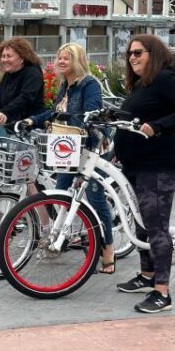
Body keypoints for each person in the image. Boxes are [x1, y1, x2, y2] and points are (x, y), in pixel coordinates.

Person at [114, 34, 175, 314]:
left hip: (157, 165)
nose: (132, 57)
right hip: (136, 165)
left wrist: (159, 125)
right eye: (129, 53)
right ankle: (147, 275)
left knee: (156, 226)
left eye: (138, 52)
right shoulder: (141, 84)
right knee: (141, 224)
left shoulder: (165, 79)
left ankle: (163, 292)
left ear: (155, 54)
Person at [25, 43, 115, 274]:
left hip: (92, 149)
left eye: (67, 58)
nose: (61, 62)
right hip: (69, 148)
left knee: (95, 199)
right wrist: (33, 120)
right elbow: (54, 112)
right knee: (62, 192)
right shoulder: (66, 86)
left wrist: (68, 118)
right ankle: (65, 235)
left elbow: (91, 115)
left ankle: (108, 251)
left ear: (78, 60)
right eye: (59, 58)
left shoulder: (89, 84)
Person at [0, 37, 44, 125]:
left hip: (29, 126)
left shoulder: (33, 73)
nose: (4, 60)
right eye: (3, 56)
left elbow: (26, 98)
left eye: (9, 56)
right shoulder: (8, 74)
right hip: (11, 124)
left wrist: (5, 112)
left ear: (22, 58)